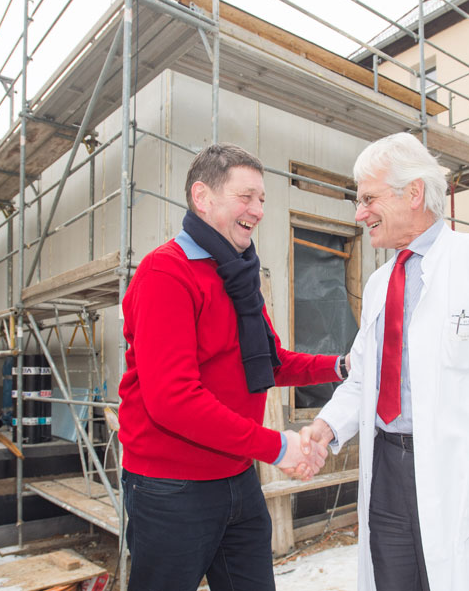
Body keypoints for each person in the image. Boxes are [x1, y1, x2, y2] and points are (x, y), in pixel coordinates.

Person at [300, 133, 469, 590]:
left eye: (368, 199)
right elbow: (364, 379)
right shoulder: (382, 283)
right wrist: (326, 428)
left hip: (460, 475)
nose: (359, 214)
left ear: (414, 193)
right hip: (387, 471)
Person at [118, 142, 344, 591]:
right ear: (203, 198)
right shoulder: (167, 273)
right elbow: (173, 400)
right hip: (172, 488)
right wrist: (277, 447)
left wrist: (342, 365)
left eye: (262, 199)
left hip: (237, 480)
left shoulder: (238, 274)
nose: (258, 210)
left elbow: (267, 364)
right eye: (247, 197)